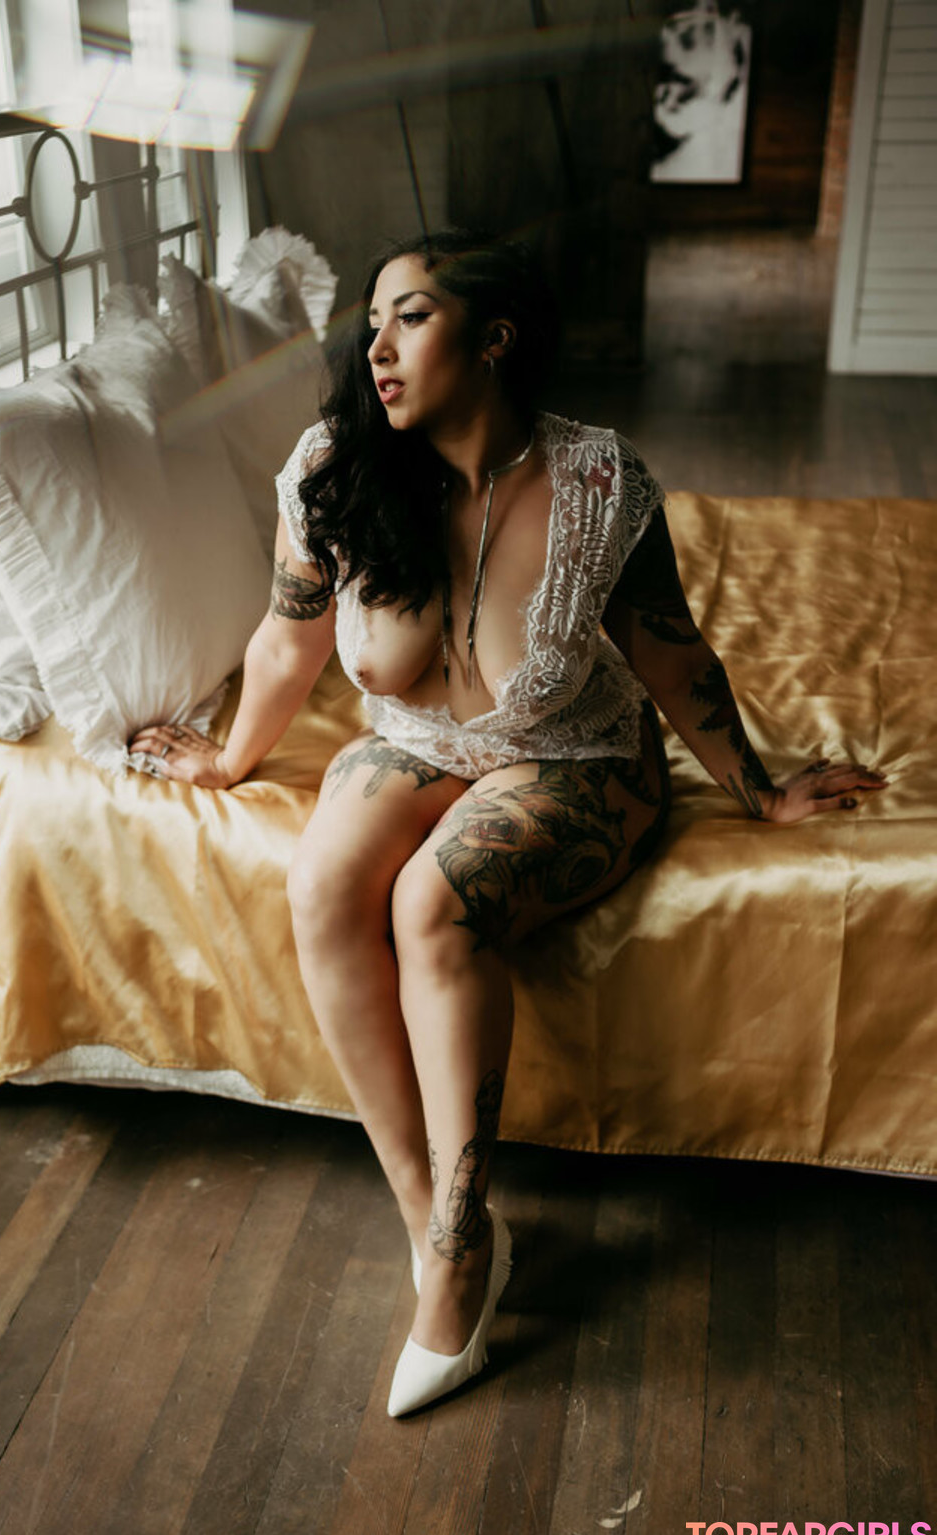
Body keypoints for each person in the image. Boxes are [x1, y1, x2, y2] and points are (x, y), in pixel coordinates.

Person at [129, 230, 886, 1417]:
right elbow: (288, 636)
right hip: (414, 743)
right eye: (373, 322)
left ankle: (459, 1244)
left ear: (494, 339)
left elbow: (671, 652)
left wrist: (759, 788)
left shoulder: (595, 483)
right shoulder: (336, 465)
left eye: (412, 317)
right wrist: (228, 758)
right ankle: (437, 1226)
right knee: (321, 886)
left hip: (575, 751)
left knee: (432, 901)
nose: (377, 348)